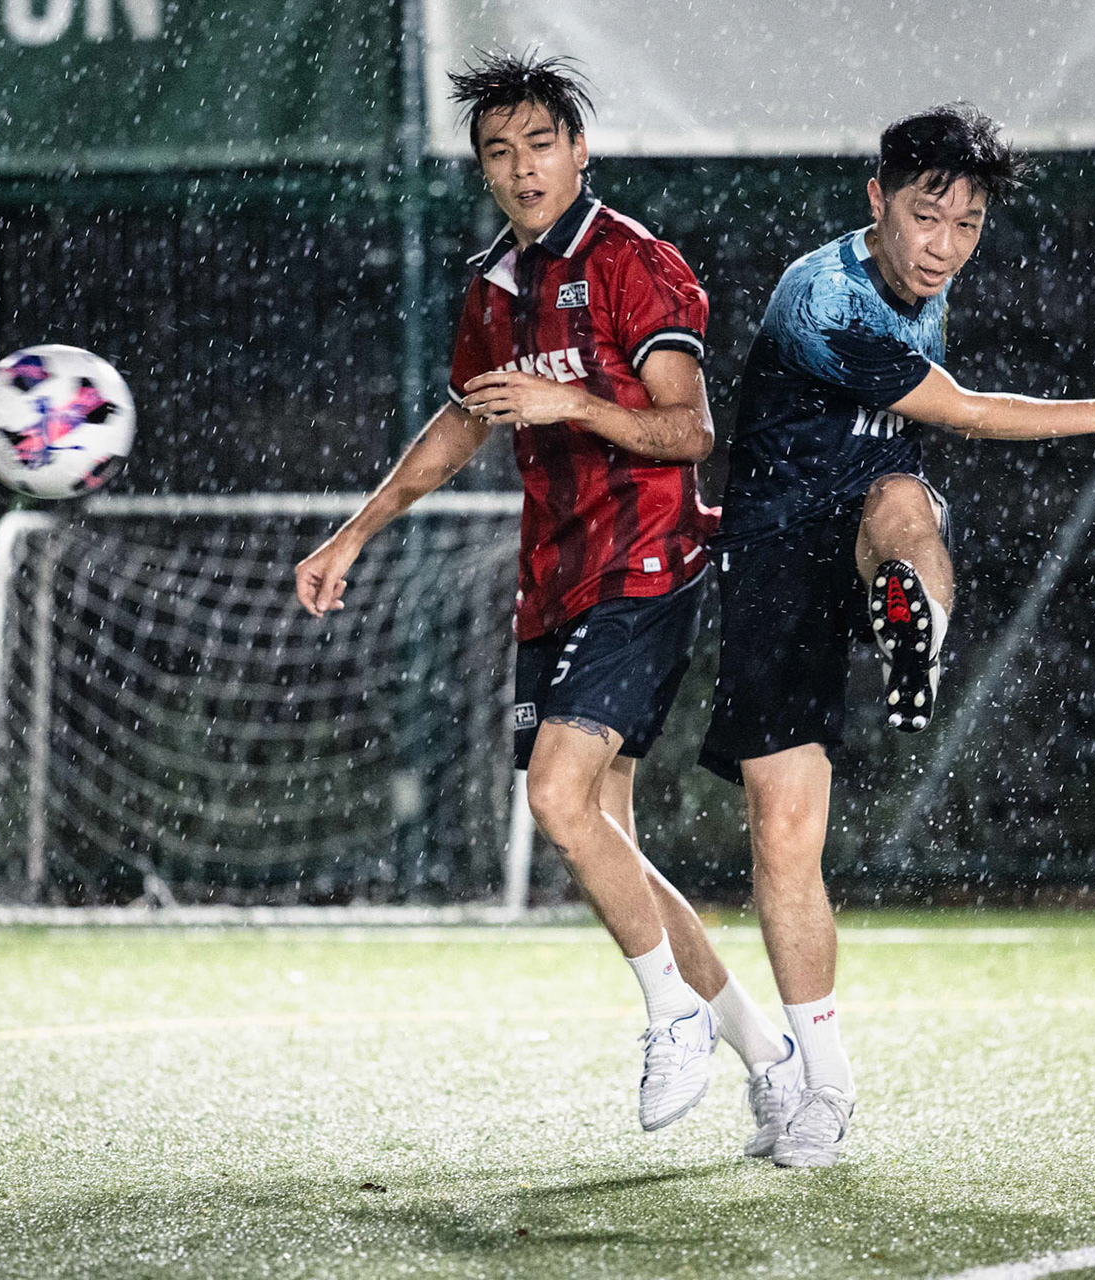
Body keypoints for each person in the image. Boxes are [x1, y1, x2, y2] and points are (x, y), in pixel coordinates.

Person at [295, 51, 804, 1150]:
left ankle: (673, 1013)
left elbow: (691, 431)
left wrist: (567, 398)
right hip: (555, 580)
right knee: (598, 835)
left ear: (579, 150)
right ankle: (770, 1054)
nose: (521, 168)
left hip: (649, 561)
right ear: (482, 171)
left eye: (539, 144)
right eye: (497, 152)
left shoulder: (635, 265)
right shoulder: (492, 287)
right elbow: (460, 425)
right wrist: (353, 533)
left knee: (560, 798)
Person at [699, 104, 1095, 1167]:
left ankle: (917, 630)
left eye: (967, 224)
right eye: (927, 216)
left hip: (863, 532)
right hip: (778, 568)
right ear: (878, 201)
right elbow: (959, 407)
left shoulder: (930, 283)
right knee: (785, 834)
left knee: (905, 501)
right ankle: (823, 1082)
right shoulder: (826, 297)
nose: (945, 244)